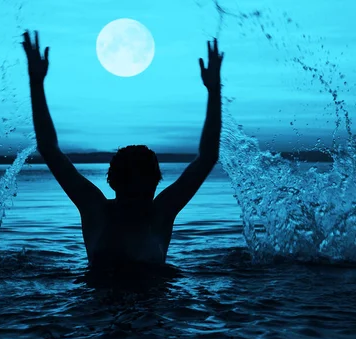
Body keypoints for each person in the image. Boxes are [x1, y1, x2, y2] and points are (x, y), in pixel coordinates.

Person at [22, 30, 223, 269]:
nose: (137, 194)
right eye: (134, 185)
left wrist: (36, 82)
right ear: (116, 182)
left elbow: (50, 149)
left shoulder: (116, 209)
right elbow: (49, 149)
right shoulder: (116, 210)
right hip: (148, 299)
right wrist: (213, 90)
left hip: (102, 299)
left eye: (141, 185)